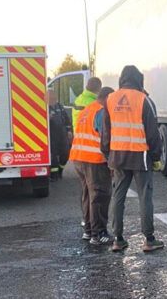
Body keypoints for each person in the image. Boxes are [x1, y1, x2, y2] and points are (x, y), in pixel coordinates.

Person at [101, 65, 163, 253]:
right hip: (140, 155)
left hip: (118, 156)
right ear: (139, 80)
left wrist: (107, 154)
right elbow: (153, 133)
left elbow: (106, 132)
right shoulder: (144, 100)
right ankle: (149, 239)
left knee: (118, 196)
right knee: (145, 196)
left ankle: (118, 239)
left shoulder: (110, 99)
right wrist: (156, 156)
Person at [69, 86, 115, 245]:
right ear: (108, 98)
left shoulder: (87, 109)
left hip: (79, 158)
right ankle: (99, 233)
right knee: (100, 195)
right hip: (94, 160)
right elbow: (105, 138)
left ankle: (88, 231)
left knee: (88, 195)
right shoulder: (101, 111)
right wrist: (112, 161)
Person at [48, 89, 72, 180]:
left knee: (65, 154)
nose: (52, 98)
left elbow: (67, 119)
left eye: (54, 96)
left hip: (62, 134)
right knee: (53, 156)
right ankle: (54, 175)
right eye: (50, 97)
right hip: (51, 135)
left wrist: (69, 130)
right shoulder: (44, 107)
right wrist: (47, 118)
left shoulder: (60, 107)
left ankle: (60, 170)